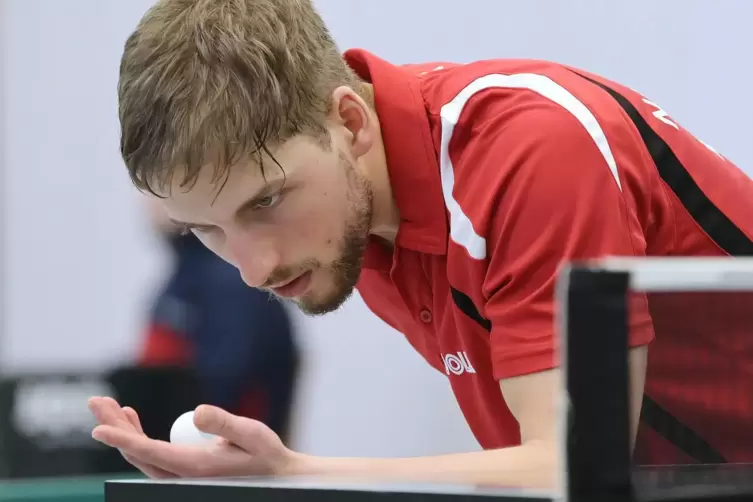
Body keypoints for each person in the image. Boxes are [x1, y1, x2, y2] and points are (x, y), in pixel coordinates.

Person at [88, 0, 753, 489]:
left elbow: (572, 466)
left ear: (349, 123)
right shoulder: (351, 221)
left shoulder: (530, 152)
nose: (254, 268)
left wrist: (292, 473)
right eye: (206, 229)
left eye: (266, 201)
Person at [139, 198, 300, 441]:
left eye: (154, 187)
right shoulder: (188, 273)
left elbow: (228, 379)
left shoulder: (227, 279)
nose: (144, 200)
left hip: (222, 458)